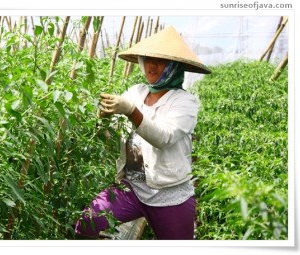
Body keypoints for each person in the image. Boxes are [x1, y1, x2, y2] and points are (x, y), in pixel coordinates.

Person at [74, 26, 211, 240]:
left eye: (161, 61)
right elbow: (118, 133)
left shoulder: (185, 102)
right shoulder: (136, 91)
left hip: (169, 195)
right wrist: (105, 118)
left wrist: (131, 110)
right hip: (132, 187)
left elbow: (164, 138)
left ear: (175, 65)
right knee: (87, 223)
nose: (152, 66)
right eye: (147, 59)